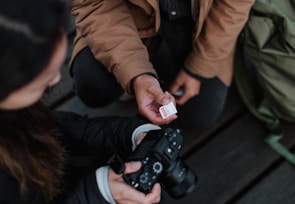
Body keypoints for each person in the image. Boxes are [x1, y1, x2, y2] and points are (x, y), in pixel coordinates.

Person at [0, 0, 162, 204]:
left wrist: (129, 134)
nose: (57, 78)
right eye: (41, 79)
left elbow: (63, 131)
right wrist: (99, 196)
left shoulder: (17, 109)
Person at [70, 0, 255, 130]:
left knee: (199, 116)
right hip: (130, 15)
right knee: (94, 83)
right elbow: (95, 5)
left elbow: (234, 6)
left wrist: (198, 68)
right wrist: (136, 74)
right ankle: (138, 68)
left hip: (200, 20)